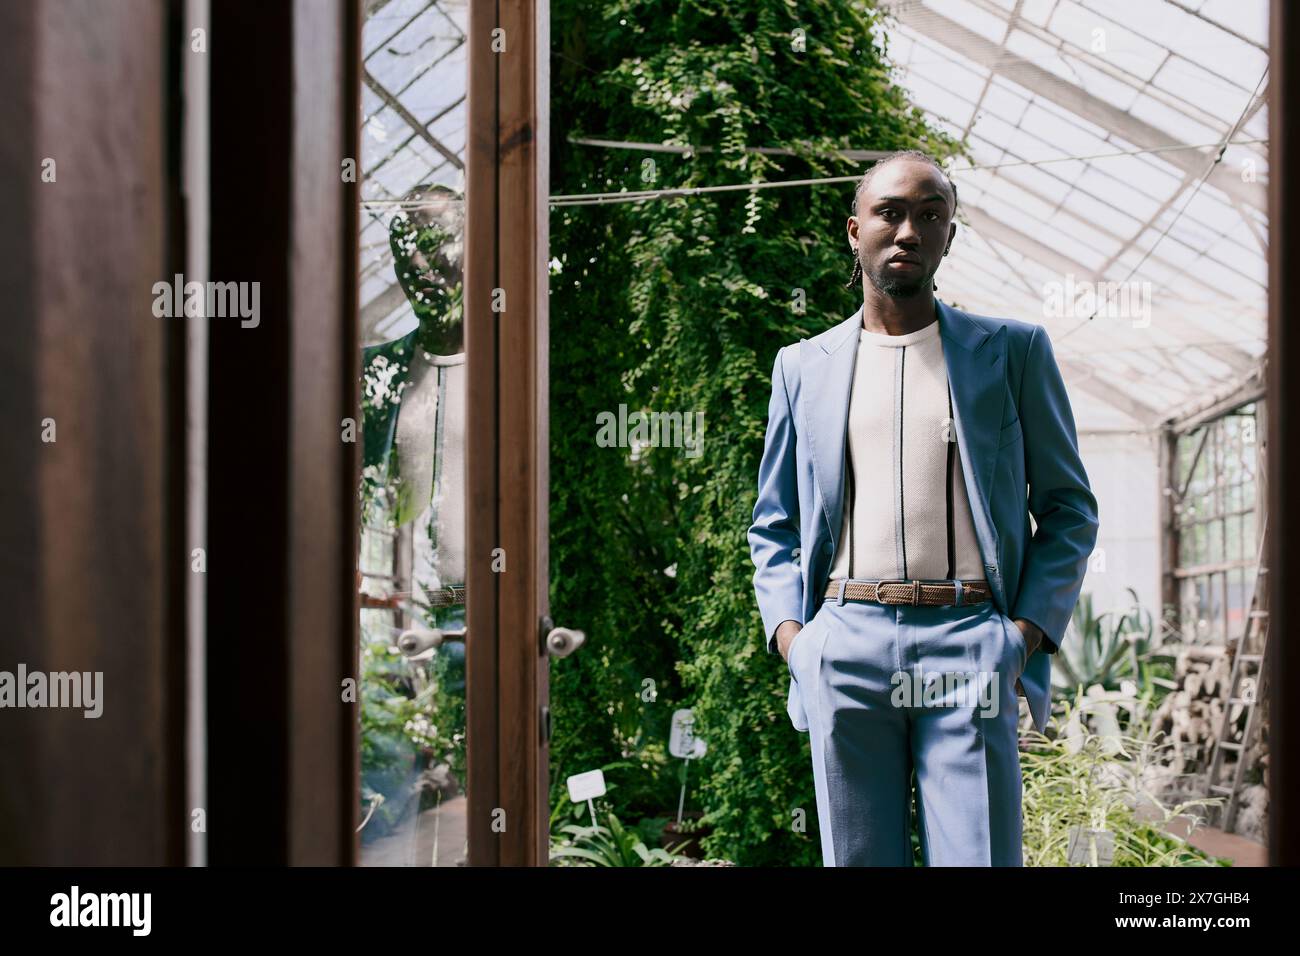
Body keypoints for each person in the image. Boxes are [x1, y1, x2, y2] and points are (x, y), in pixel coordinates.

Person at [747, 149, 1099, 866]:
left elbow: (1068, 509)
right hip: (844, 641)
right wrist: (795, 640)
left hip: (971, 640)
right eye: (890, 213)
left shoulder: (1014, 351)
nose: (909, 230)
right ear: (855, 231)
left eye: (930, 215)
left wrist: (1021, 635)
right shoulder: (801, 366)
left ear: (949, 235)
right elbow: (774, 522)